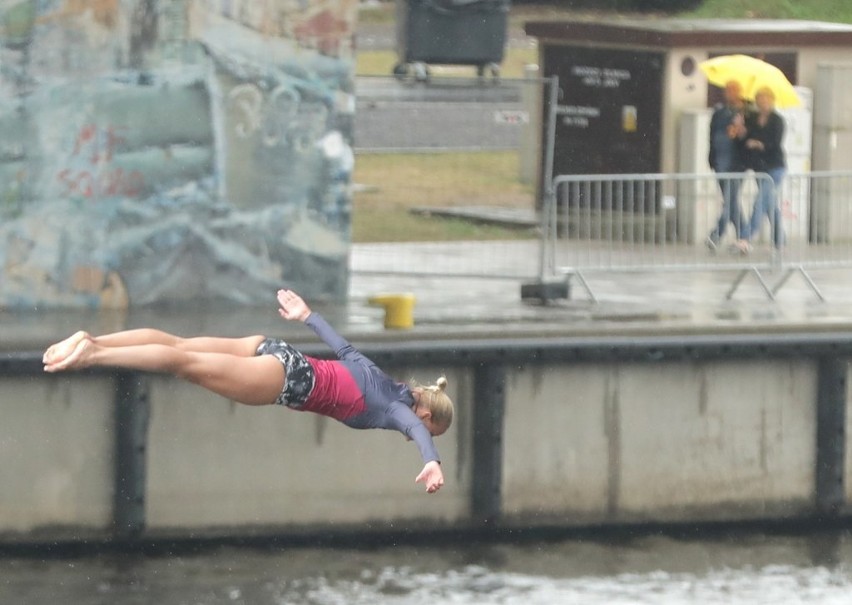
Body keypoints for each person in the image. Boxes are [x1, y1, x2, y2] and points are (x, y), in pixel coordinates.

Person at [42, 289, 454, 494]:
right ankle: (93, 354)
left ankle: (96, 341)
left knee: (180, 346)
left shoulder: (382, 379)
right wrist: (431, 461)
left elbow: (344, 348)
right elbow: (414, 432)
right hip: (286, 380)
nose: (413, 434)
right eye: (427, 431)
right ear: (425, 415)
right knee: (184, 365)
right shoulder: (397, 410)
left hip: (278, 350)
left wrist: (307, 315)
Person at [741, 86, 786, 252]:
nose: (763, 102)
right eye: (760, 99)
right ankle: (780, 240)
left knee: (760, 202)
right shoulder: (753, 118)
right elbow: (746, 137)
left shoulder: (777, 120)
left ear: (771, 101)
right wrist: (744, 131)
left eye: (766, 99)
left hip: (775, 167)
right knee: (770, 205)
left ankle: (746, 237)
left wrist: (760, 144)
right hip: (760, 167)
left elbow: (775, 142)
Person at [706, 79, 749, 253]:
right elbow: (711, 135)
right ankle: (743, 237)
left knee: (730, 201)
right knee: (731, 203)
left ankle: (716, 235)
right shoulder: (719, 112)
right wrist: (711, 157)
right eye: (727, 90)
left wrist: (741, 128)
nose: (728, 93)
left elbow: (745, 137)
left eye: (732, 90)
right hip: (720, 162)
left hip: (737, 164)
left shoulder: (745, 113)